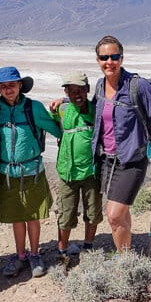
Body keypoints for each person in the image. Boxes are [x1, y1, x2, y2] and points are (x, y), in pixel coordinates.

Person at [92, 36, 151, 253]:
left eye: (114, 56)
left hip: (132, 158)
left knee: (114, 215)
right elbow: (95, 111)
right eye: (104, 57)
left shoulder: (138, 85)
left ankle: (124, 261)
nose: (109, 61)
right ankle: (126, 255)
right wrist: (66, 101)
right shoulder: (99, 85)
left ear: (122, 58)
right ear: (97, 60)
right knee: (122, 214)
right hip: (107, 159)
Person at [0, 66, 61, 278]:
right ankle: (20, 255)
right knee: (16, 217)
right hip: (7, 174)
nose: (8, 89)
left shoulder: (33, 108)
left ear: (20, 85)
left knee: (32, 216)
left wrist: (62, 106)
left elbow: (57, 129)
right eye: (3, 86)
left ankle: (35, 254)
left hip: (32, 171)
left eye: (12, 85)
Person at [51, 71, 102, 258]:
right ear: (66, 93)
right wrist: (61, 101)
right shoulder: (62, 110)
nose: (77, 94)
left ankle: (88, 247)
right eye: (71, 91)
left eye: (80, 90)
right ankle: (62, 251)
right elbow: (54, 114)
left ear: (88, 89)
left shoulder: (96, 111)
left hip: (91, 172)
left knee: (93, 211)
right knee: (66, 213)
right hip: (67, 172)